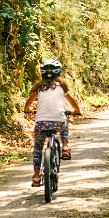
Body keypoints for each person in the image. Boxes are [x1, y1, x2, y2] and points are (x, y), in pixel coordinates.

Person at [23, 59, 82, 187]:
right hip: (59, 121)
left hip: (41, 122)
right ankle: (65, 147)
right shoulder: (62, 87)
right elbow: (73, 104)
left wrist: (28, 110)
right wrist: (76, 111)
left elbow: (28, 104)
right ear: (58, 73)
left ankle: (37, 177)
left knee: (38, 148)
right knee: (64, 121)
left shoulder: (38, 88)